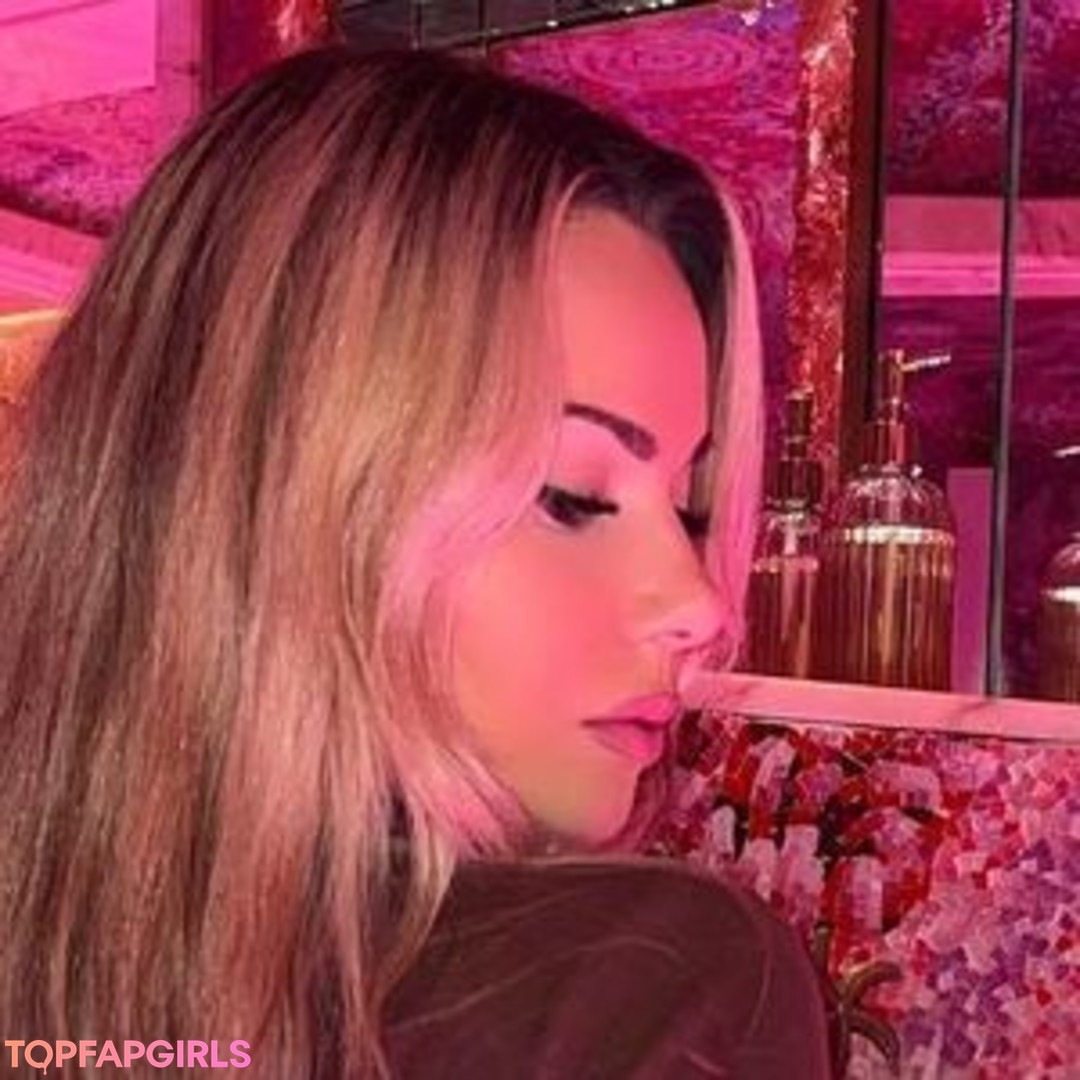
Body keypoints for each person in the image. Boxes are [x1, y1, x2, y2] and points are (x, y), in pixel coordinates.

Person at [0, 46, 830, 1078]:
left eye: (692, 508)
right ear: (286, 504)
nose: (700, 607)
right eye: (572, 493)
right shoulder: (644, 990)